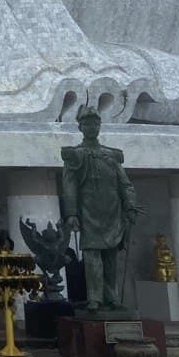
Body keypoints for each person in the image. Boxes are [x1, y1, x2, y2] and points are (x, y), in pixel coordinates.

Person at [61, 109, 138, 312]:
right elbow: (69, 186)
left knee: (111, 256)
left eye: (95, 124)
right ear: (80, 128)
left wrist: (130, 205)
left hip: (112, 211)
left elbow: (125, 183)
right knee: (93, 255)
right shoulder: (75, 155)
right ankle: (94, 298)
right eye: (87, 124)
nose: (91, 128)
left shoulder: (110, 155)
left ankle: (111, 297)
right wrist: (71, 213)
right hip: (89, 211)